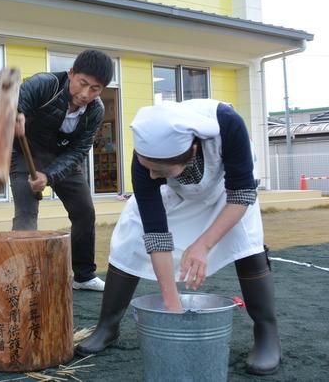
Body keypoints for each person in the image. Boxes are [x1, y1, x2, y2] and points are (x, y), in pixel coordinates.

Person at [76, 99, 281, 375]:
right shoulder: (147, 159)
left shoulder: (229, 124)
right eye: (146, 166)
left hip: (226, 194)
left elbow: (242, 195)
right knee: (130, 238)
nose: (150, 174)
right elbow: (155, 232)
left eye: (158, 171)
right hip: (175, 194)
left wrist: (203, 245)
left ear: (192, 150)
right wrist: (171, 304)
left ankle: (267, 334)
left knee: (248, 245)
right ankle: (107, 327)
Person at [11, 49, 113, 292]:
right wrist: (15, 117)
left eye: (95, 89)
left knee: (85, 212)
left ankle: (84, 276)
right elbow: (14, 103)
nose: (86, 94)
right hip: (26, 154)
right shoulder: (45, 84)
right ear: (71, 74)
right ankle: (21, 278)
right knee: (26, 214)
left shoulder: (95, 111)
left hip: (65, 158)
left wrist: (48, 177)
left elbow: (79, 150)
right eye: (82, 84)